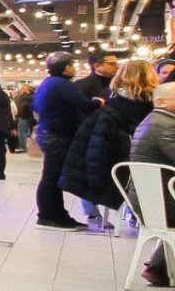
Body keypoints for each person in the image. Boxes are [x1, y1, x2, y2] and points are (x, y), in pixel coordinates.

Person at [62, 58, 156, 233]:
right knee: (142, 178)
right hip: (139, 150)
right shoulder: (153, 100)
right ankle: (136, 215)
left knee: (88, 172)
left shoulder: (109, 95)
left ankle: (93, 214)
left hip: (106, 149)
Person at [33, 52, 99, 229]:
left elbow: (35, 106)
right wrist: (98, 102)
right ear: (65, 67)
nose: (74, 68)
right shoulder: (62, 84)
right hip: (57, 135)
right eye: (72, 64)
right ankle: (48, 216)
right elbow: (84, 104)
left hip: (48, 132)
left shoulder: (47, 83)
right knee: (52, 177)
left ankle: (57, 214)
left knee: (52, 176)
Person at [128, 82, 175, 286]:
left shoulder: (153, 121)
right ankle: (157, 267)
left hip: (152, 200)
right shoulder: (165, 125)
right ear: (161, 101)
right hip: (163, 203)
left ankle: (157, 267)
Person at [72, 54, 121, 227]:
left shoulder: (119, 85)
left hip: (113, 137)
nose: (116, 66)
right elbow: (78, 112)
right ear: (97, 66)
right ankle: (92, 213)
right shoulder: (83, 85)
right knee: (88, 175)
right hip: (90, 136)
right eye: (111, 63)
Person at [14, 83, 36, 153]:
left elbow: (22, 107)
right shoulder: (34, 97)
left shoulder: (24, 97)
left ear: (27, 90)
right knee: (32, 132)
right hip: (32, 117)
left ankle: (23, 146)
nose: (21, 89)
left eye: (22, 88)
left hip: (24, 117)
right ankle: (34, 147)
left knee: (22, 132)